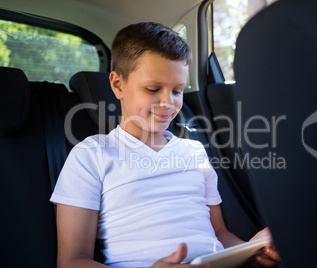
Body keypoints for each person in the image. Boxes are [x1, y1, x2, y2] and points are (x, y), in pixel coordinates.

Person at [50, 22, 280, 268]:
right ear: (118, 85)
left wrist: (252, 248)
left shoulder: (194, 151)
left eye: (177, 91)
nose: (168, 103)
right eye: (153, 89)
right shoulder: (91, 154)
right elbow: (72, 261)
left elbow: (219, 234)